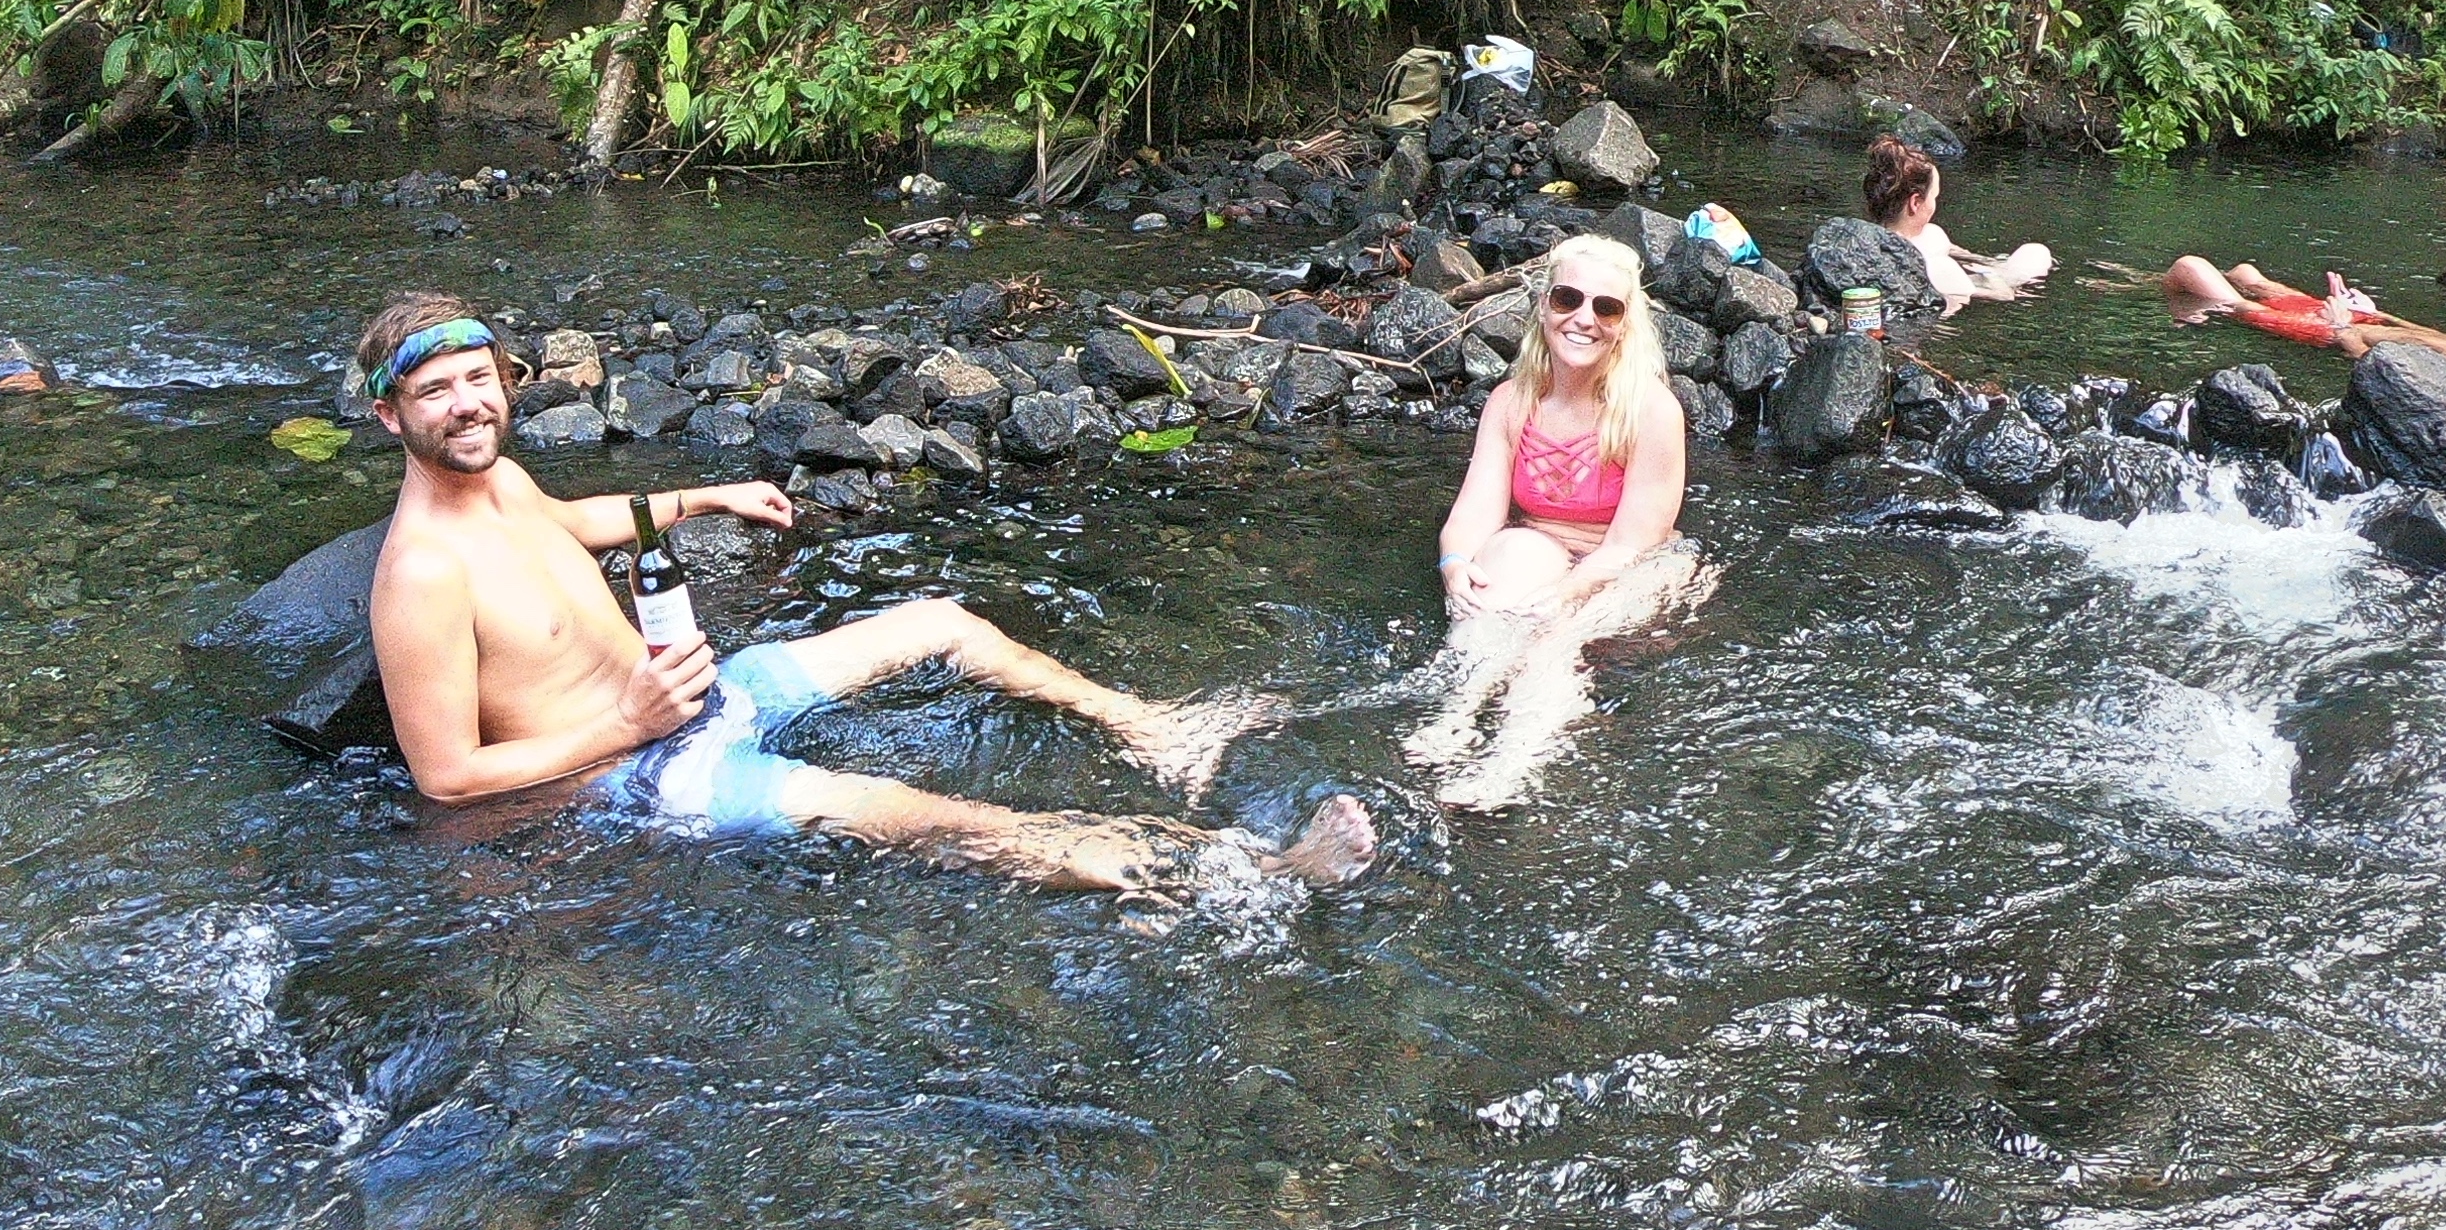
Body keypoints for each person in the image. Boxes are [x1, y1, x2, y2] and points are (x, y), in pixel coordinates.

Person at [353, 294, 1374, 894]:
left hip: (700, 698)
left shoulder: (498, 476)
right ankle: (1258, 873)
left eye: (479, 380)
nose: (467, 403)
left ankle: (1152, 728)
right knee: (922, 812)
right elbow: (446, 779)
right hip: (646, 778)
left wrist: (704, 494)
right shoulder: (420, 577)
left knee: (941, 623)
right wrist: (624, 720)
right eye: (436, 391)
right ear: (392, 417)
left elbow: (569, 526)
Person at [1413, 233, 1707, 807]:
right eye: (1568, 299)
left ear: (1625, 323)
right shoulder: (1511, 400)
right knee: (1491, 587)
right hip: (1544, 543)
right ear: (1543, 307)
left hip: (1638, 563)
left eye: (1606, 307)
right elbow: (1474, 511)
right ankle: (1458, 713)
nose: (1584, 319)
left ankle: (1511, 762)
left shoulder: (1651, 410)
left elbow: (1632, 544)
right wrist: (1454, 565)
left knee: (1553, 638)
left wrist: (1564, 596)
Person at [2158, 250, 2446, 368]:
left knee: (2191, 268)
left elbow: (2381, 367)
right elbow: (2423, 336)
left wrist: (2343, 330)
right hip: (2357, 320)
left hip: (2331, 333)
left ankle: (2137, 290)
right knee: (2249, 274)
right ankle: (2142, 285)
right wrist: (2377, 312)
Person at [1864, 140, 2049, 307]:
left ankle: (1997, 265)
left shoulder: (1866, 243)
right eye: (1934, 197)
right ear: (1915, 203)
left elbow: (1962, 254)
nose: (1935, 204)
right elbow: (2004, 296)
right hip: (1957, 282)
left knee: (1934, 236)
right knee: (2037, 253)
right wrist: (1989, 273)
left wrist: (1985, 262)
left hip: (1953, 273)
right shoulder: (1939, 267)